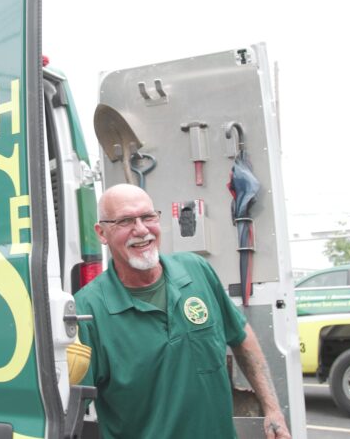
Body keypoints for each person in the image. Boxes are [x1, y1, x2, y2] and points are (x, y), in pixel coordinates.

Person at [75, 184, 292, 439]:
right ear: (102, 233)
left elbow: (240, 335)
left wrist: (272, 408)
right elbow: (72, 409)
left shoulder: (196, 270)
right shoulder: (88, 310)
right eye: (125, 221)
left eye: (148, 217)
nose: (142, 230)